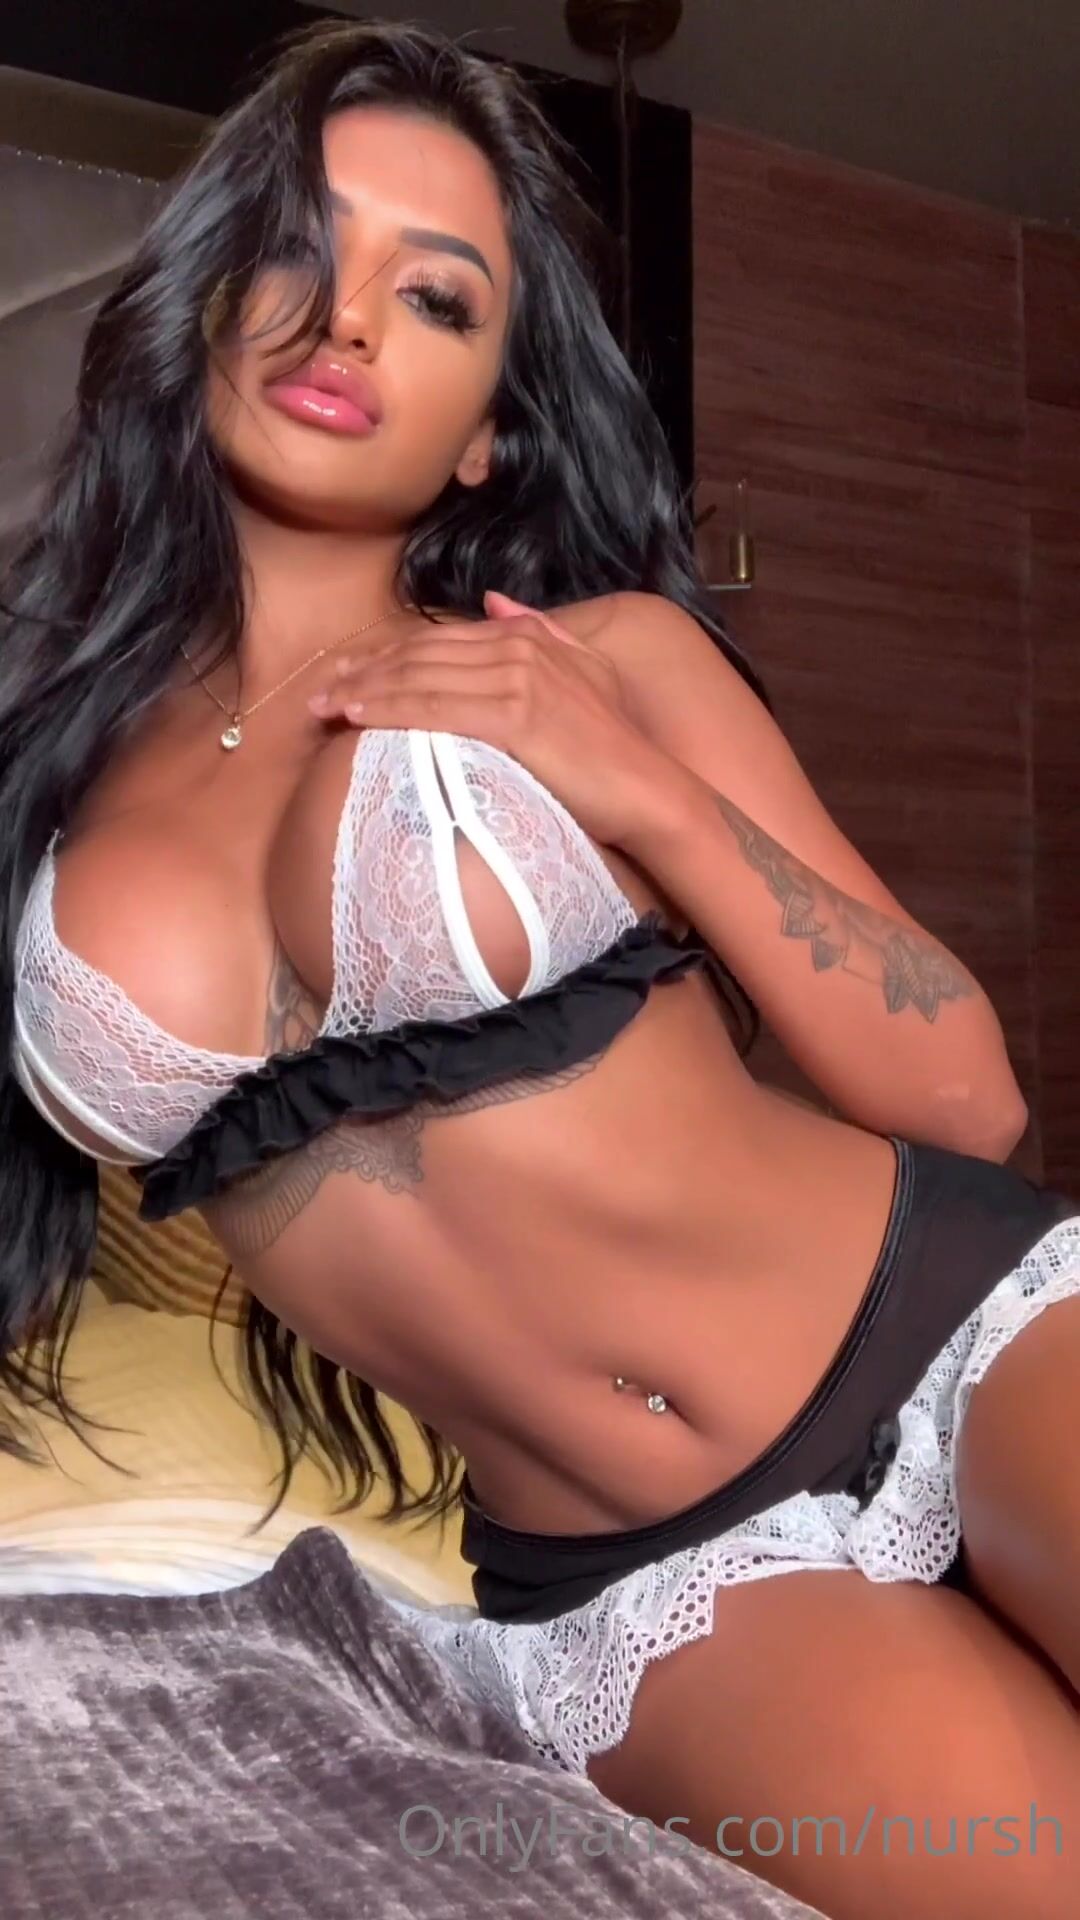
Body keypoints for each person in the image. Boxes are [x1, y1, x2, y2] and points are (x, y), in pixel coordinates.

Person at [1, 21, 1077, 1919]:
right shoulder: (40, 787)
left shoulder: (601, 663)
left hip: (961, 1326)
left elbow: (962, 1095)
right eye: (297, 250)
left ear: (490, 424)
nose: (347, 324)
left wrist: (640, 789)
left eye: (434, 298)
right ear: (201, 308)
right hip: (639, 1578)